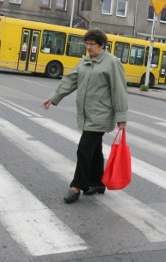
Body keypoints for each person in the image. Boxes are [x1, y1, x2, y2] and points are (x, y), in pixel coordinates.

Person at [41, 29, 128, 203]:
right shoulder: (85, 62)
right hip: (86, 114)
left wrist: (121, 118)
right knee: (94, 150)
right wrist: (53, 97)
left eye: (92, 44)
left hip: (101, 115)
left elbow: (119, 90)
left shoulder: (112, 63)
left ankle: (76, 186)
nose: (88, 47)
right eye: (86, 44)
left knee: (84, 149)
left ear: (102, 45)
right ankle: (97, 183)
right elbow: (70, 81)